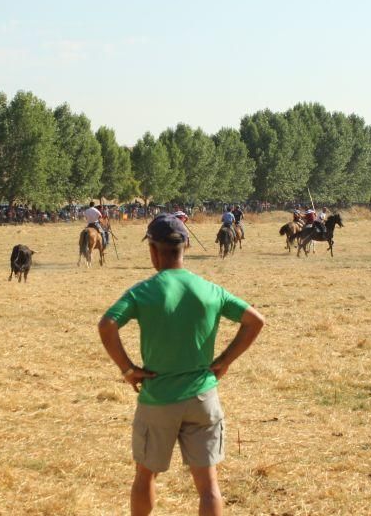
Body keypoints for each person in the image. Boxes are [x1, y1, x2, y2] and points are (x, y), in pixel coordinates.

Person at [98, 214, 265, 516]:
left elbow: (107, 324)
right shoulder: (209, 289)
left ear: (153, 249)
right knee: (208, 485)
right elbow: (255, 321)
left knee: (145, 475)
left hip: (157, 398)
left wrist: (128, 369)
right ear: (185, 244)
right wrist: (224, 361)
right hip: (203, 397)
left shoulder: (143, 291)